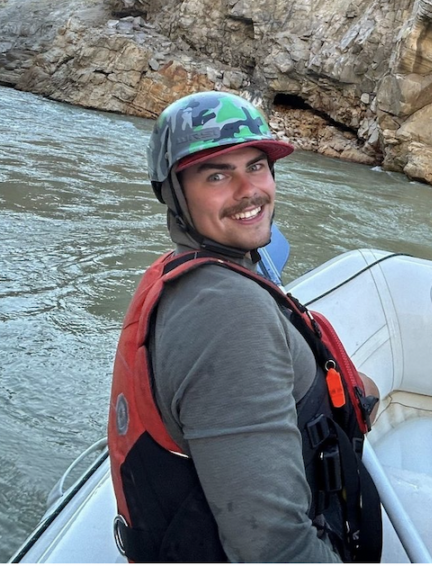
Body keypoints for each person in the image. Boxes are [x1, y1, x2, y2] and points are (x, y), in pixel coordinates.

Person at [107, 91, 382, 563]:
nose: (248, 190)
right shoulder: (228, 317)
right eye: (217, 175)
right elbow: (275, 548)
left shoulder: (197, 272)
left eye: (255, 166)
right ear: (175, 193)